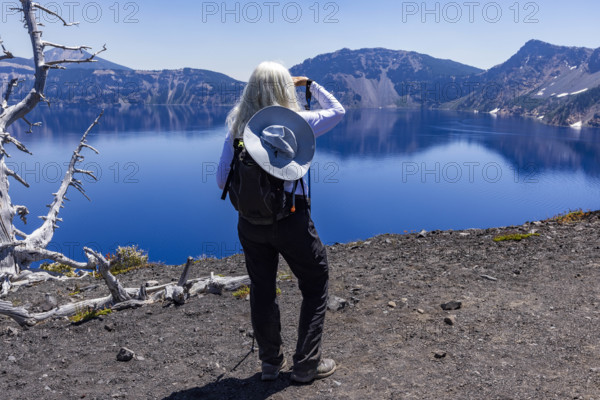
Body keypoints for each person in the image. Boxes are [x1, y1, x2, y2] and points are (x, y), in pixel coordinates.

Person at [217, 61, 345, 383]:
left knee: (262, 289)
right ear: (284, 89)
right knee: (315, 284)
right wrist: (309, 84)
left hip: (249, 224)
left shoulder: (238, 128)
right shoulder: (297, 123)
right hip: (290, 220)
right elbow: (338, 111)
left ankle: (270, 364)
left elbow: (221, 181)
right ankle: (306, 365)